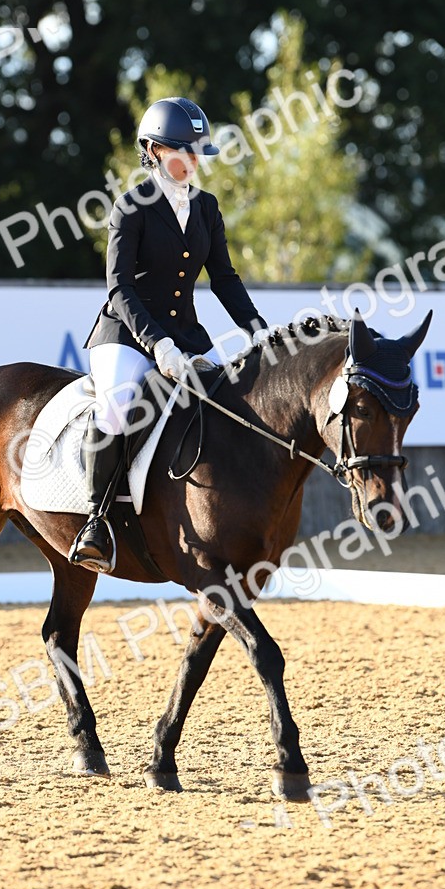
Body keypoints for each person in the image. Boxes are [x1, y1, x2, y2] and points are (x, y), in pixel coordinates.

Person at [69, 96, 274, 572]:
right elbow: (119, 287)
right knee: (118, 407)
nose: (196, 161)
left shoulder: (206, 207)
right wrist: (157, 344)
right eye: (186, 150)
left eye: (199, 151)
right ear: (155, 149)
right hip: (126, 334)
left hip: (186, 335)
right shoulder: (131, 206)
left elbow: (223, 278)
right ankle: (95, 523)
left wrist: (258, 330)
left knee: (225, 405)